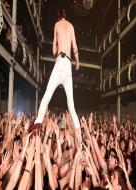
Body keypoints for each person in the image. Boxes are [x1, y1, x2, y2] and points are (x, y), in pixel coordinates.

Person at [32, 8, 81, 142]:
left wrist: (58, 43)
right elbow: (75, 47)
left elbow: (54, 51)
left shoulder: (57, 25)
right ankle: (79, 135)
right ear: (65, 16)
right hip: (68, 65)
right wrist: (77, 62)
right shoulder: (71, 26)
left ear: (58, 17)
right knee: (71, 104)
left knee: (47, 94)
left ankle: (37, 124)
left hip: (60, 62)